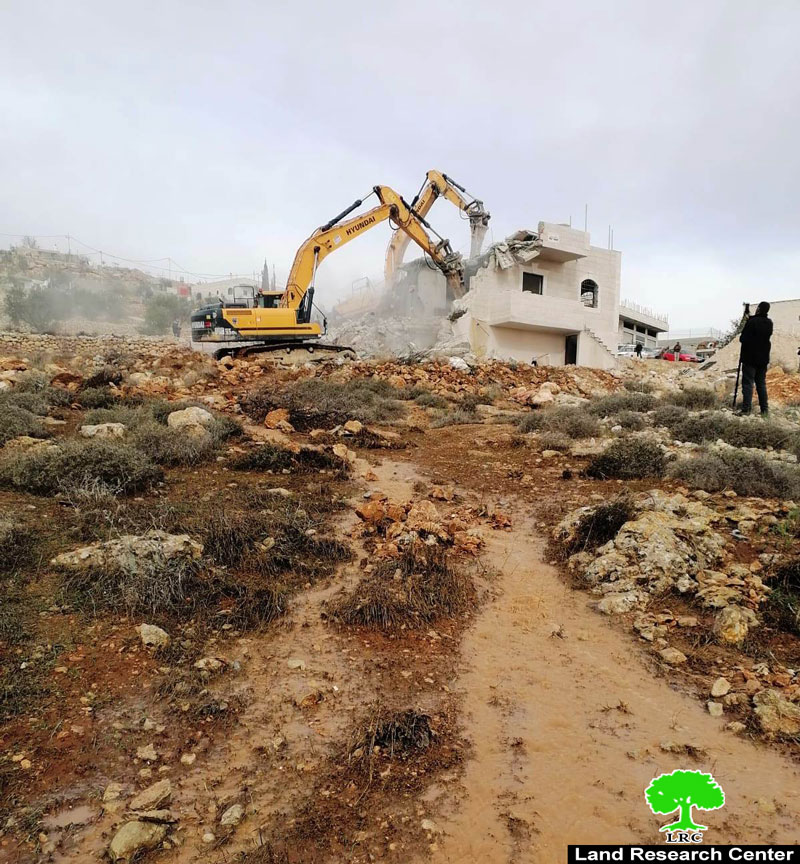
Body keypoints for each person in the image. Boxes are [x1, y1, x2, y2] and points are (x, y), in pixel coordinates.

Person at [738, 301, 772, 416]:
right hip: (763, 359)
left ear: (758, 309)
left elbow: (743, 339)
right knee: (761, 384)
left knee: (748, 383)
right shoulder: (769, 323)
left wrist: (748, 322)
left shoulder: (752, 322)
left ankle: (746, 409)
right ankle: (764, 410)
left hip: (750, 358)